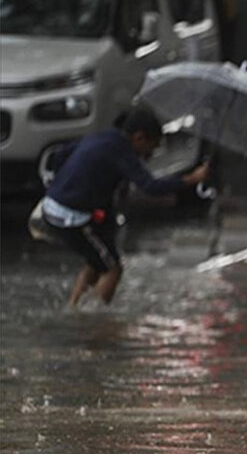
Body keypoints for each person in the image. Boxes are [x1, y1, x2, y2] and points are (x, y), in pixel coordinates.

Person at [41, 108, 209, 307]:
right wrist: (192, 179)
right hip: (71, 216)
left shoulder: (103, 136)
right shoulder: (122, 150)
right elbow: (150, 186)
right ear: (139, 137)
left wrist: (63, 187)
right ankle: (91, 319)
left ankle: (74, 309)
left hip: (52, 205)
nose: (151, 153)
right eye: (152, 146)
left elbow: (59, 156)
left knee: (97, 261)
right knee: (113, 269)